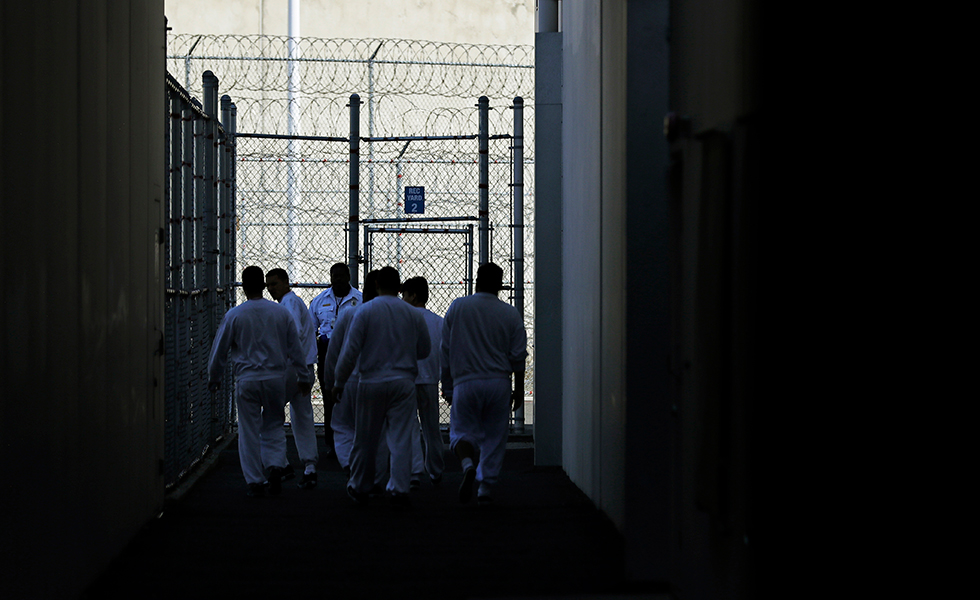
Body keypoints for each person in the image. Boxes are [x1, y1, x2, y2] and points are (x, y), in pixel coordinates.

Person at [208, 266, 312, 497]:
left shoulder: (235, 315)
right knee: (274, 424)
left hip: (247, 378)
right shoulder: (280, 313)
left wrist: (213, 378)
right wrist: (303, 378)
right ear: (263, 286)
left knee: (248, 430)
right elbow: (295, 349)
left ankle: (255, 480)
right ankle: (275, 464)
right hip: (276, 377)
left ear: (243, 286)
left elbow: (220, 350)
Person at [333, 266, 431, 507]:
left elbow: (350, 351)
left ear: (376, 285)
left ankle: (359, 485)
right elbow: (425, 349)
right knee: (400, 436)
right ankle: (400, 487)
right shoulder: (413, 314)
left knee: (365, 438)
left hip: (371, 381)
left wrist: (338, 382)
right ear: (399, 287)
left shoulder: (364, 312)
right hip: (403, 381)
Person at [441, 262, 527, 505]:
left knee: (460, 433)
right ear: (500, 284)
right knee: (495, 437)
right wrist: (518, 389)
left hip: (465, 382)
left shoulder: (458, 307)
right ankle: (486, 488)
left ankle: (467, 464)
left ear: (476, 279)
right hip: (499, 382)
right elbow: (518, 355)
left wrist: (447, 384)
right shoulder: (509, 313)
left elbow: (445, 350)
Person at [265, 268, 319, 489]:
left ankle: (281, 464)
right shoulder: (292, 302)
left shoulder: (288, 304)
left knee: (270, 415)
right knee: (301, 417)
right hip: (303, 366)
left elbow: (293, 333)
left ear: (286, 283)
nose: (270, 289)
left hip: (291, 367)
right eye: (268, 285)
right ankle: (309, 467)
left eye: (274, 284)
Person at [323, 269, 379, 479]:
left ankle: (349, 463)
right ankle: (377, 474)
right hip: (381, 380)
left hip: (350, 379)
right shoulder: (398, 313)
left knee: (344, 425)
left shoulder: (350, 313)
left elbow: (335, 351)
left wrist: (330, 383)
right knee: (377, 430)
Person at [401, 276, 446, 487]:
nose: (402, 298)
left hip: (408, 379)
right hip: (430, 380)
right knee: (431, 427)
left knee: (409, 427)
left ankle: (414, 470)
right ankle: (435, 470)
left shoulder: (403, 319)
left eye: (405, 294)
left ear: (413, 295)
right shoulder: (438, 321)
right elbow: (444, 353)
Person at [310, 263, 362, 394]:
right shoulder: (319, 300)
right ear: (331, 278)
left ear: (349, 277)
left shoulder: (360, 299)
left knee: (350, 392)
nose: (338, 279)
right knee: (328, 392)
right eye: (335, 276)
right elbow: (311, 328)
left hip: (350, 349)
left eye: (341, 276)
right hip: (326, 350)